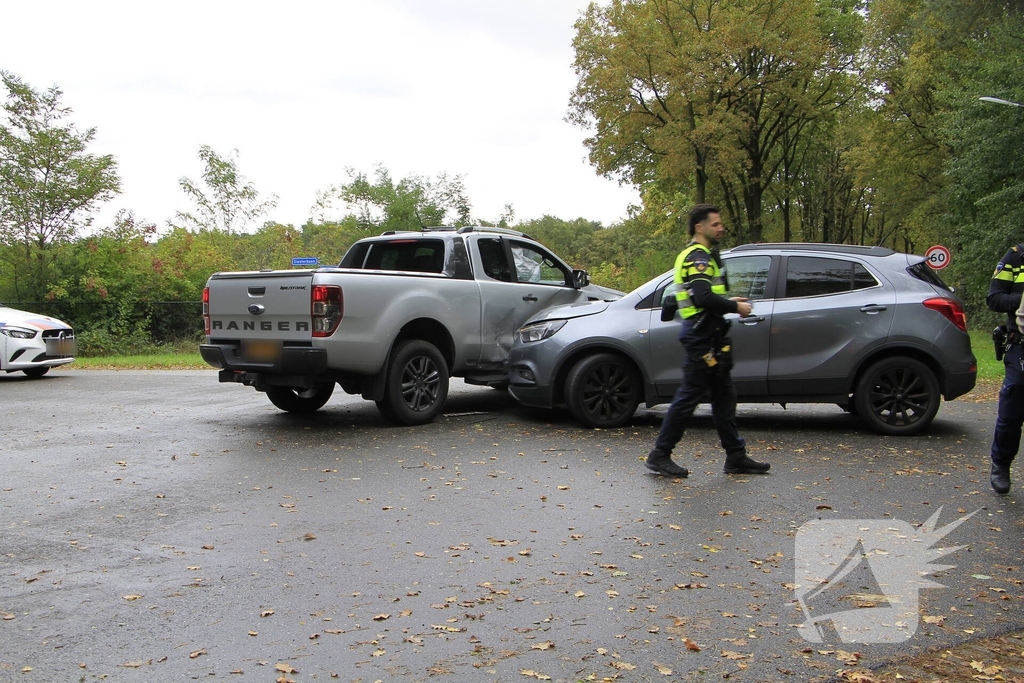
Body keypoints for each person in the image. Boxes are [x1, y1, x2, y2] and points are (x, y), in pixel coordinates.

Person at [645, 204, 771, 478]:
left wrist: (727, 301)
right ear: (699, 227)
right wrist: (735, 307)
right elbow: (703, 297)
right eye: (715, 224)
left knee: (724, 397)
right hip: (701, 338)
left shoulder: (701, 255)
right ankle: (660, 454)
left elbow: (702, 295)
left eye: (720, 223)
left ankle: (736, 456)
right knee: (688, 396)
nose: (720, 228)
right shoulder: (698, 257)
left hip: (710, 336)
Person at [987, 243, 1024, 494]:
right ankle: (1001, 464)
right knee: (1012, 409)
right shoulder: (1016, 256)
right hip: (1020, 344)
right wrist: (1022, 300)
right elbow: (994, 298)